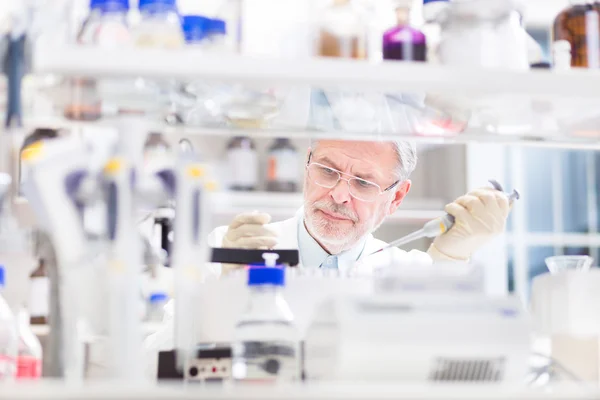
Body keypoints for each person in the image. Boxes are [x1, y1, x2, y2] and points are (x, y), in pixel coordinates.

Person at [208, 139, 511, 273]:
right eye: (328, 171)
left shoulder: (408, 274)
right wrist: (222, 290)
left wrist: (452, 258)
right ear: (307, 165)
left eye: (363, 182)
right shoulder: (233, 248)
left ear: (395, 198)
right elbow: (163, 357)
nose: (339, 195)